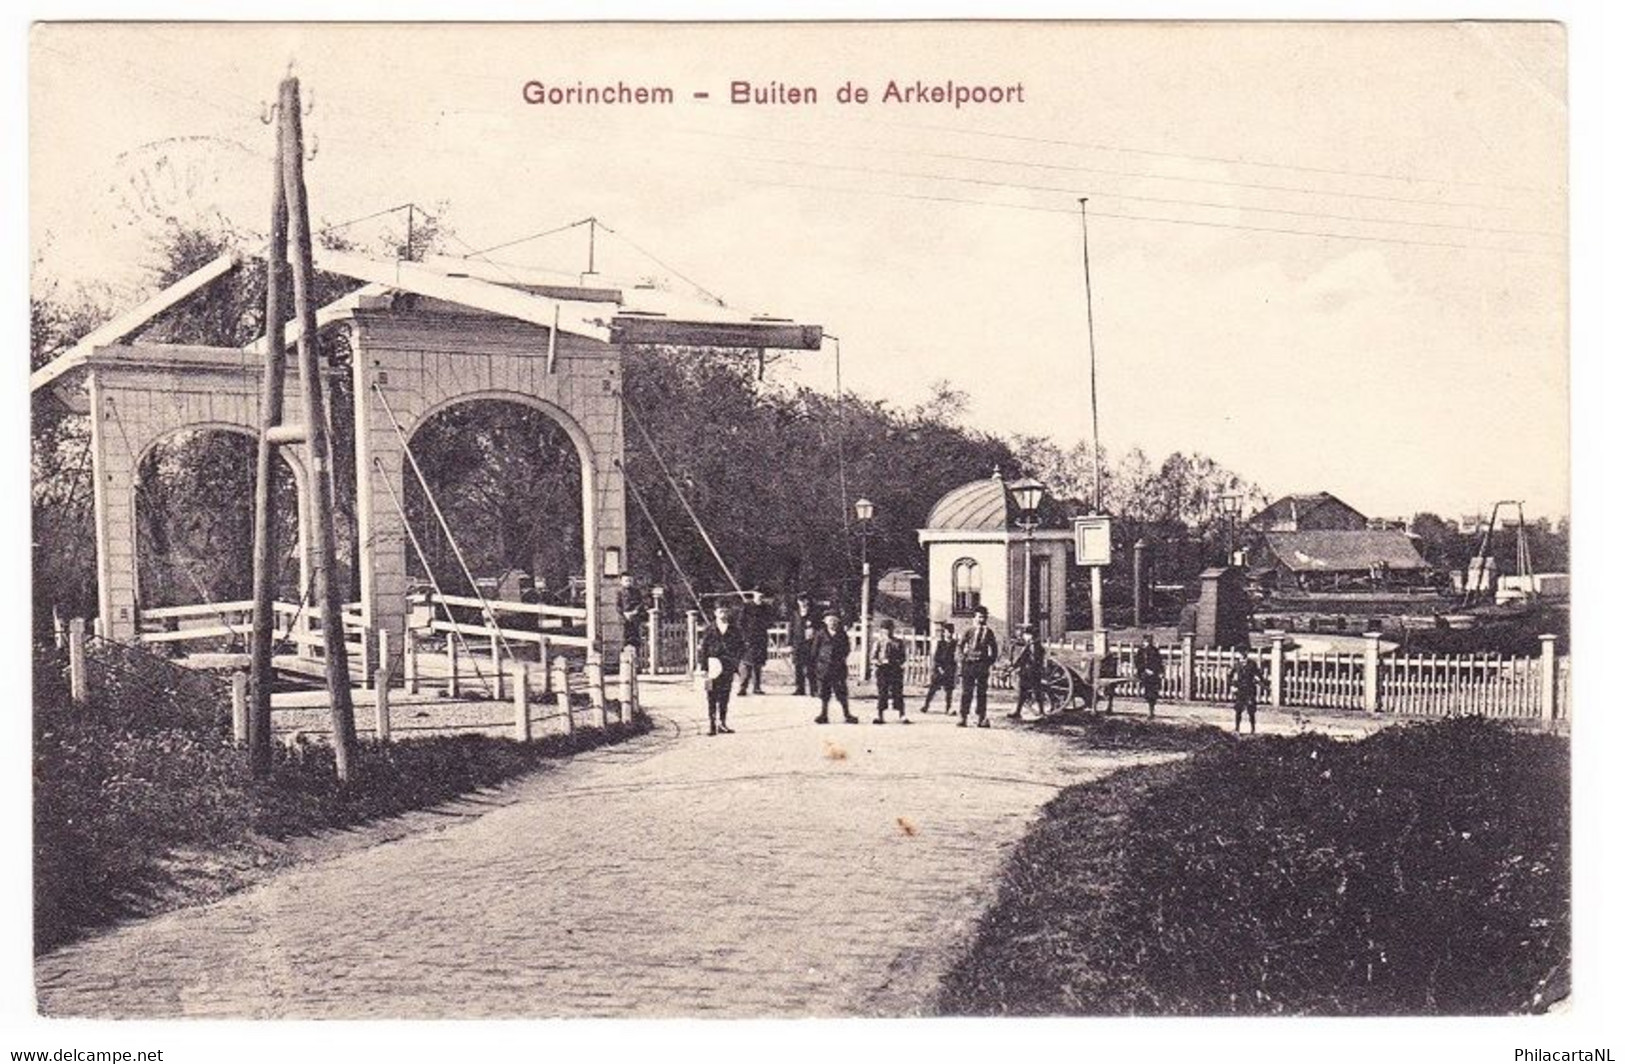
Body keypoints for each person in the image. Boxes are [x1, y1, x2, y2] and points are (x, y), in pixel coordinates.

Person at [699, 604, 745, 736]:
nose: (723, 614)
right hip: (712, 665)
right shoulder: (710, 629)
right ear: (715, 613)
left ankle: (722, 723)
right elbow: (704, 649)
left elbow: (741, 646)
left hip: (727, 665)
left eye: (725, 611)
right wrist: (704, 668)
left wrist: (735, 660)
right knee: (711, 695)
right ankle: (712, 724)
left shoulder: (734, 630)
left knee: (725, 695)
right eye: (720, 611)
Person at [810, 610, 859, 725]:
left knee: (841, 692)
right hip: (824, 667)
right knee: (824, 693)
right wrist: (816, 664)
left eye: (835, 620)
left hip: (838, 668)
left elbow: (847, 648)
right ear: (825, 622)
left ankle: (847, 714)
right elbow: (814, 650)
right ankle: (823, 714)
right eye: (830, 620)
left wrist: (841, 658)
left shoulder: (842, 634)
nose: (832, 623)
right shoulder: (820, 634)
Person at [957, 606, 999, 729]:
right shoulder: (968, 630)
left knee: (982, 693)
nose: (982, 619)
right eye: (979, 617)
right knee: (966, 692)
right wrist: (962, 659)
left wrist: (989, 661)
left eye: (984, 617)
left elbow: (994, 648)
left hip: (982, 665)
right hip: (969, 664)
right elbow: (960, 645)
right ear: (974, 617)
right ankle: (963, 716)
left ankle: (981, 717)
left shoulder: (989, 632)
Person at [870, 618, 911, 724]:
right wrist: (879, 662)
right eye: (885, 630)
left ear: (893, 630)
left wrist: (896, 662)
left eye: (890, 629)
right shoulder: (878, 643)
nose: (888, 632)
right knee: (882, 692)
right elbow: (873, 657)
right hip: (882, 670)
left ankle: (902, 714)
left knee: (897, 692)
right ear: (882, 631)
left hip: (895, 669)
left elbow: (903, 657)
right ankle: (880, 715)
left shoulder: (898, 642)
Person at [1009, 625, 1046, 720]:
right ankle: (1018, 711)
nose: (1024, 636)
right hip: (1028, 671)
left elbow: (1023, 658)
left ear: (1029, 635)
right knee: (1023, 692)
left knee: (1036, 691)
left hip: (1031, 672)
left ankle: (1041, 712)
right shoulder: (1032, 644)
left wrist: (1014, 666)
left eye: (1025, 634)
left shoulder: (1033, 645)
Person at [920, 621, 957, 711]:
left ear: (952, 633)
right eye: (946, 632)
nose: (947, 634)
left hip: (949, 670)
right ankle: (926, 705)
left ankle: (948, 708)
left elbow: (955, 657)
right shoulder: (941, 643)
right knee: (932, 688)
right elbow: (936, 657)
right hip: (940, 669)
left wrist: (952, 670)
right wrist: (939, 668)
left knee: (949, 691)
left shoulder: (954, 644)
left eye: (949, 632)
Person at [787, 592, 818, 696]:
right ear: (798, 602)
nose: (802, 603)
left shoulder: (814, 613)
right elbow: (791, 629)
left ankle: (814, 689)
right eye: (800, 601)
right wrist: (790, 644)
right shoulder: (795, 613)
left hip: (809, 644)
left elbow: (819, 629)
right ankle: (800, 688)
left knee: (810, 667)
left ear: (808, 601)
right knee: (798, 667)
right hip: (797, 644)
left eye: (804, 600)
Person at [1229, 652, 1265, 734]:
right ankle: (1237, 728)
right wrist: (1232, 685)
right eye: (1240, 653)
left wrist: (1259, 680)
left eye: (1244, 653)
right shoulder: (1237, 665)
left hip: (1249, 689)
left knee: (1251, 710)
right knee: (1238, 710)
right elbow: (1230, 676)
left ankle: (1253, 729)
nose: (1242, 655)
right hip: (1240, 689)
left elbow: (1259, 675)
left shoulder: (1252, 664)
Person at [1134, 633, 1165, 718]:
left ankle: (1151, 711)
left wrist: (1161, 672)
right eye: (1147, 640)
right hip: (1145, 673)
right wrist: (1145, 670)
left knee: (1154, 691)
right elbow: (1137, 662)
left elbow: (1159, 662)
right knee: (1148, 690)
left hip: (1154, 674)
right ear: (1144, 641)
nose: (1149, 642)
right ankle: (1150, 711)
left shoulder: (1154, 650)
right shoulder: (1141, 651)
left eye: (1150, 640)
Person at [616, 575, 646, 653]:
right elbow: (618, 606)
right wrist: (624, 613)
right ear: (621, 582)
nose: (628, 583)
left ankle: (637, 654)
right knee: (625, 636)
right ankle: (624, 655)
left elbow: (641, 603)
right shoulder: (619, 592)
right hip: (624, 617)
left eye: (629, 580)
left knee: (636, 635)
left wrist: (635, 611)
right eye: (626, 581)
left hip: (635, 617)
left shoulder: (636, 591)